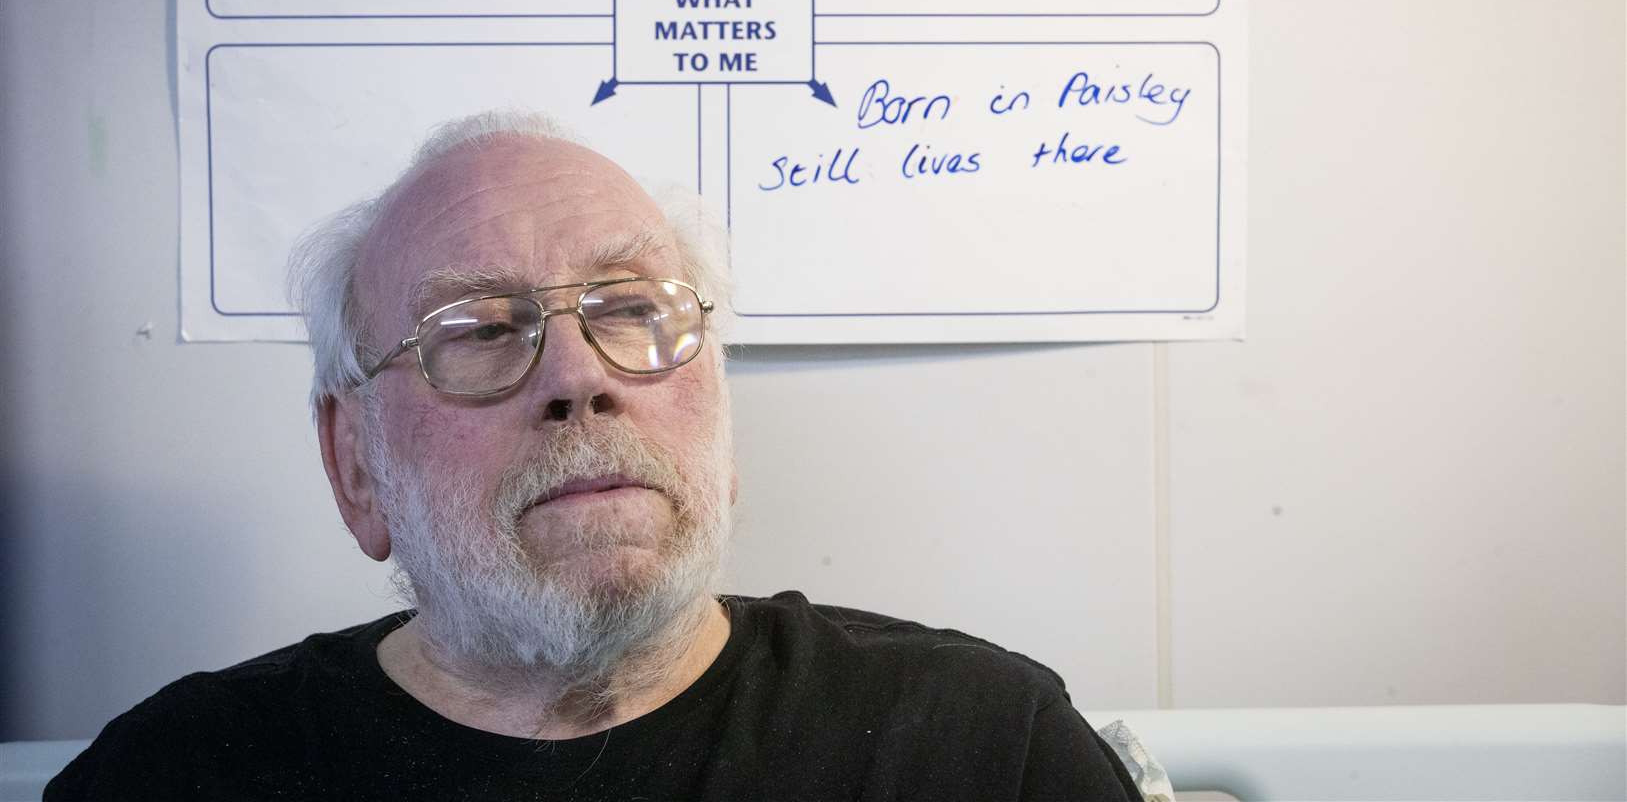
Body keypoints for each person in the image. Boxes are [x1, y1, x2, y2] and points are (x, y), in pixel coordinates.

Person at [48, 112, 1141, 801]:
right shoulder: (177, 775)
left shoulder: (978, 749)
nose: (579, 375)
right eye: (476, 329)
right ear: (357, 465)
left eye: (630, 308)